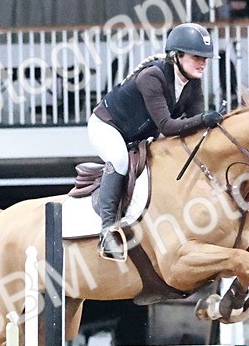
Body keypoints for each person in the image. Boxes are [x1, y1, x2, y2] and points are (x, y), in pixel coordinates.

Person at [88, 23, 224, 261]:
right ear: (177, 56)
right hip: (107, 126)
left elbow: (193, 128)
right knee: (119, 159)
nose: (202, 63)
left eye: (205, 58)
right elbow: (167, 126)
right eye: (196, 57)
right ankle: (107, 230)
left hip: (138, 135)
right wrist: (203, 119)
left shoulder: (193, 83)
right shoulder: (152, 77)